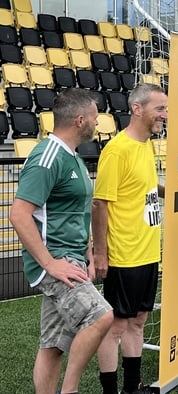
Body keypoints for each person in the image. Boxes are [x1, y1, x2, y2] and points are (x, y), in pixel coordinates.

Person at [10, 88, 113, 394]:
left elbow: (72, 213)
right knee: (101, 316)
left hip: (71, 259)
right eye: (95, 116)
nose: (98, 122)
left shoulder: (73, 158)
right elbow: (19, 214)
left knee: (53, 345)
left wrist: (88, 254)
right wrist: (50, 263)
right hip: (55, 261)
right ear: (80, 120)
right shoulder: (47, 156)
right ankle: (70, 390)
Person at [93, 83, 167, 394]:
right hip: (124, 254)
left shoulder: (146, 145)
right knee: (116, 327)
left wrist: (173, 190)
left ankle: (132, 386)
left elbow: (143, 190)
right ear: (137, 109)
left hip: (148, 252)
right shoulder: (117, 150)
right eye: (160, 109)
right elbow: (100, 203)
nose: (165, 115)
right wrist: (100, 253)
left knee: (138, 322)